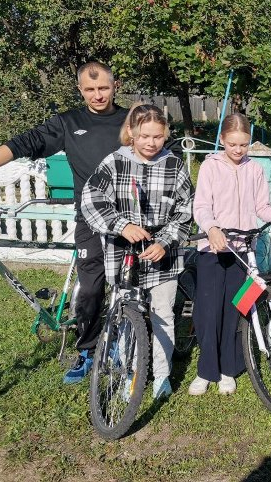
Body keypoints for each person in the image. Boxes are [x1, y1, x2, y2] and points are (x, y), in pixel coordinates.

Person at [0, 61, 129, 384]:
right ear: (80, 90)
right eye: (90, 89)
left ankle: (129, 344)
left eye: (103, 88)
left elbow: (161, 154)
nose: (98, 95)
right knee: (91, 289)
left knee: (130, 286)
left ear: (115, 86)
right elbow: (23, 144)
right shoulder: (69, 123)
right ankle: (88, 349)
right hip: (90, 219)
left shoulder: (131, 120)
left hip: (130, 218)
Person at [81, 103, 193, 400]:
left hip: (162, 255)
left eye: (157, 136)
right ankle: (130, 372)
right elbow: (91, 200)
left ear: (165, 135)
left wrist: (165, 241)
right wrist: (121, 225)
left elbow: (185, 210)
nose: (151, 143)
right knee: (125, 313)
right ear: (131, 133)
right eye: (144, 136)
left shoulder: (175, 164)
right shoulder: (114, 162)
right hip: (124, 253)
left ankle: (161, 375)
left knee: (162, 314)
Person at [190, 113, 271, 396]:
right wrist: (211, 228)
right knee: (207, 311)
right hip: (212, 248)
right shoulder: (210, 167)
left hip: (241, 251)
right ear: (222, 139)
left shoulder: (254, 170)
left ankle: (228, 368)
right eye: (233, 144)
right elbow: (201, 207)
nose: (238, 150)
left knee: (235, 310)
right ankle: (206, 369)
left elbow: (262, 207)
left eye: (244, 145)